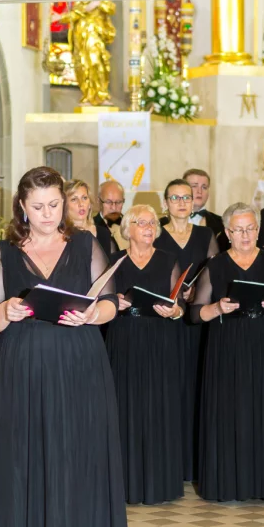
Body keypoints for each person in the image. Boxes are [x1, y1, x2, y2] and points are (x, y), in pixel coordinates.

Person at [0, 166, 132, 527]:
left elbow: (108, 304)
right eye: (39, 207)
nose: (48, 214)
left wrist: (91, 315)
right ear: (22, 208)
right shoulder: (4, 252)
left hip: (80, 363)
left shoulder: (85, 244)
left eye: (55, 205)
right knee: (32, 464)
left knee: (84, 462)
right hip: (22, 366)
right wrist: (5, 309)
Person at [190, 202, 264, 505]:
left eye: (251, 228)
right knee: (232, 411)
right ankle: (230, 483)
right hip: (228, 344)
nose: (245, 234)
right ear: (227, 232)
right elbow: (196, 313)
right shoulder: (215, 265)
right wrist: (217, 308)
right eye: (239, 229)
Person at [107, 205, 185, 505]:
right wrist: (113, 300)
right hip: (124, 337)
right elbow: (102, 297)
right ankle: (125, 483)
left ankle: (159, 483)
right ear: (128, 227)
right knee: (125, 406)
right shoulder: (115, 260)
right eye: (142, 222)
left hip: (159, 338)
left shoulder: (168, 259)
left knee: (158, 406)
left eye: (153, 222)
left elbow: (178, 304)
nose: (149, 227)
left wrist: (175, 310)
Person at [154, 178, 219, 481]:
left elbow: (216, 270)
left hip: (196, 322)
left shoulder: (206, 234)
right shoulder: (154, 233)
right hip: (165, 320)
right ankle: (171, 461)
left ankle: (196, 463)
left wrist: (199, 294)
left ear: (194, 201)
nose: (181, 203)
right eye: (175, 197)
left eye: (187, 197)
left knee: (196, 387)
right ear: (165, 202)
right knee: (171, 388)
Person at [66, 179, 116, 256]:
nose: (81, 204)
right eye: (74, 199)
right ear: (64, 206)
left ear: (89, 204)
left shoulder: (104, 233)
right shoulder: (61, 236)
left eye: (84, 198)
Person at [182, 169, 228, 250]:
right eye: (194, 186)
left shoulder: (221, 223)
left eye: (204, 187)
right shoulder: (165, 223)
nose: (199, 191)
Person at [96, 180, 128, 251]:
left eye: (118, 202)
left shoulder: (131, 225)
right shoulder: (91, 227)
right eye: (108, 202)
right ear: (98, 201)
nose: (113, 207)